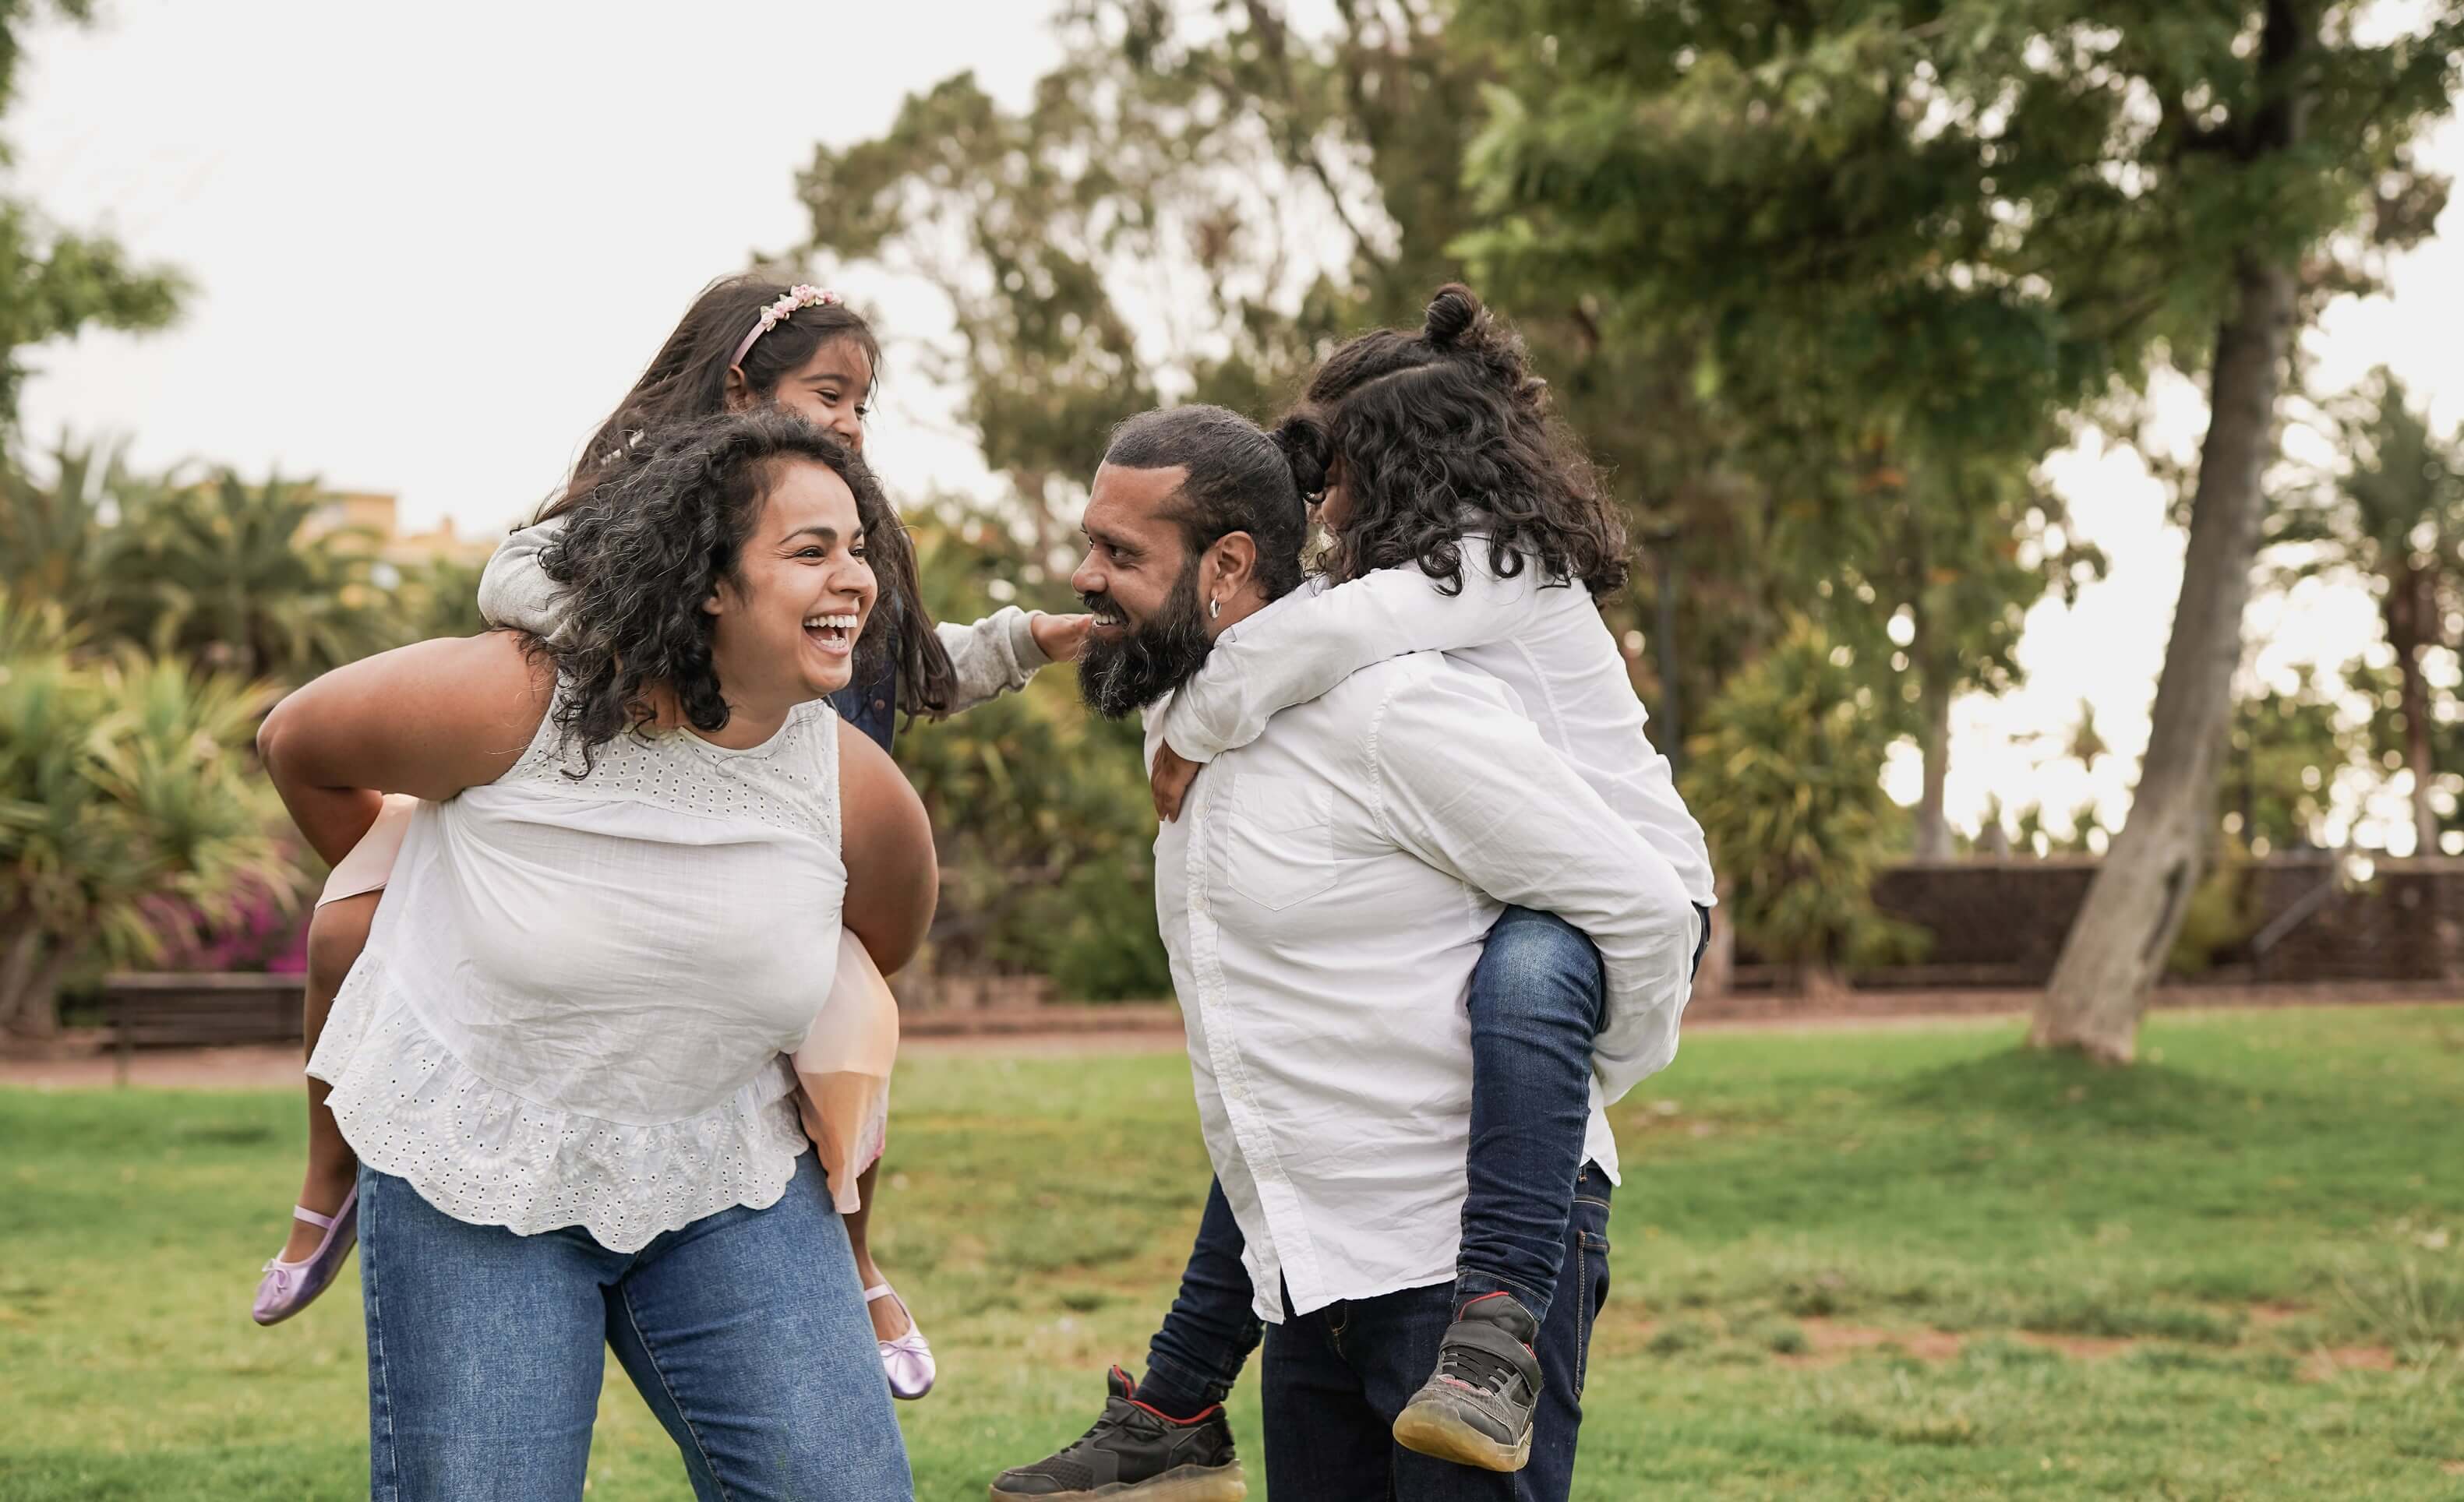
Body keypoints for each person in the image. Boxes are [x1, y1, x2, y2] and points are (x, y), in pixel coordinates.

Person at [255, 278, 1093, 1398]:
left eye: (861, 403)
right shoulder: (616, 535)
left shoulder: (837, 573)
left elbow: (921, 665)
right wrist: (637, 640)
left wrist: (1029, 637)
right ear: (741, 386)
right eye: (825, 392)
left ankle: (849, 1255)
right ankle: (328, 1182)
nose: (846, 420)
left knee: (849, 1047)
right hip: (556, 799)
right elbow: (508, 578)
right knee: (348, 933)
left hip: (773, 861)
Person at [996, 403, 1700, 1502]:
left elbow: (1645, 910)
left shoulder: (1392, 711)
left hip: (1457, 1276)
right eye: (1089, 546)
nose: (1084, 577)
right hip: (1307, 1276)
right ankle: (1176, 1407)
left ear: (1226, 566)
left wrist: (1593, 1076)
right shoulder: (1189, 717)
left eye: (1118, 554)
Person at [259, 411, 928, 1501]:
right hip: (474, 1159)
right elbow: (300, 745)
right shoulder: (517, 697)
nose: (854, 577)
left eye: (859, 547)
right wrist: (423, 897)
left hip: (727, 1180)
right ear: (711, 582)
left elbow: (877, 944)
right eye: (811, 551)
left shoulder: (855, 788)